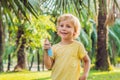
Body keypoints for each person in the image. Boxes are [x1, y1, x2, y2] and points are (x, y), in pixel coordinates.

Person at [44, 14, 90, 80]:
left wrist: (85, 75)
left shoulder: (78, 46)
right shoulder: (53, 48)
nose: (64, 28)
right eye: (61, 26)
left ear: (75, 31)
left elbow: (87, 61)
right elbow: (48, 66)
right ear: (58, 29)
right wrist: (46, 51)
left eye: (68, 26)